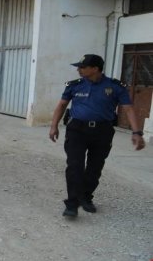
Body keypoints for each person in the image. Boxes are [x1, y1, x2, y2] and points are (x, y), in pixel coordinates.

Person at [49, 54, 145, 217]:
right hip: (77, 130)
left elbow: (128, 109)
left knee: (95, 167)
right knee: (75, 166)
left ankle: (86, 197)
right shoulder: (75, 85)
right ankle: (72, 203)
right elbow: (62, 105)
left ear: (95, 69)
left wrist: (136, 132)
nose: (79, 70)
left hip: (102, 132)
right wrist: (53, 126)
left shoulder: (115, 87)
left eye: (82, 67)